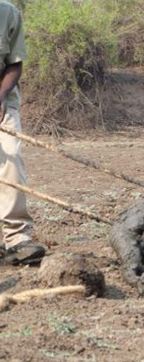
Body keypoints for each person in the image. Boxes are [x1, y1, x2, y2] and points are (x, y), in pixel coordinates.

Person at [0, 1, 45, 265]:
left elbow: (14, 65)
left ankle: (17, 237)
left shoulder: (8, 13)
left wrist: (1, 96)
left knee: (11, 156)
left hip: (3, 99)